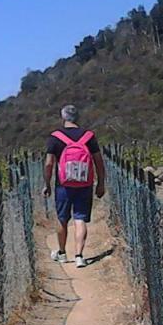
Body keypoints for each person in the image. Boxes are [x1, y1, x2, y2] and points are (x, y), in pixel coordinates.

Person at [43, 104, 105, 268]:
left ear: (63, 117)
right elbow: (98, 161)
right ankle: (79, 255)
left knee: (62, 219)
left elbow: (49, 164)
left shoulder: (55, 137)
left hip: (63, 185)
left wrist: (47, 184)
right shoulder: (89, 136)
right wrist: (101, 183)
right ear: (78, 117)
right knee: (80, 218)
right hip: (85, 183)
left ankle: (62, 253)